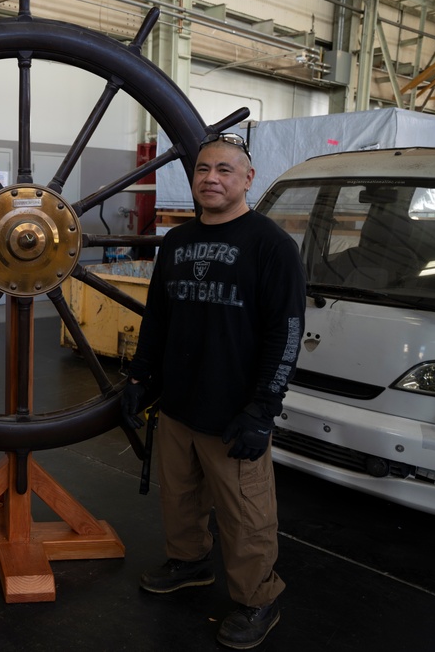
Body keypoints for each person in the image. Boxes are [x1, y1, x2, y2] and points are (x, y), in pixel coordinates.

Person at [121, 132, 305, 649]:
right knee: (180, 500)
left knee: (247, 516)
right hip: (179, 404)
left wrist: (263, 410)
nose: (212, 178)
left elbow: (285, 333)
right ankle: (189, 563)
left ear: (248, 179)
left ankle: (257, 598)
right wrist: (139, 377)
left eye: (225, 170)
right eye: (203, 169)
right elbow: (158, 316)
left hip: (235, 412)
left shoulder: (271, 245)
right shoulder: (176, 244)